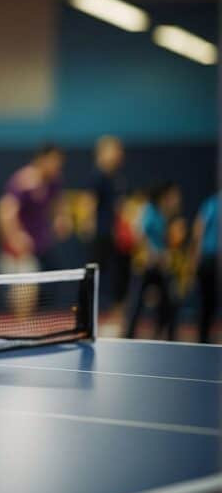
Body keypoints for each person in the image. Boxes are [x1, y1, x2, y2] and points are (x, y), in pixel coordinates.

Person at [0, 144, 65, 274]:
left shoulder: (54, 181)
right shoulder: (23, 181)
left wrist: (59, 219)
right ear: (41, 159)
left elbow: (57, 204)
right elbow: (5, 211)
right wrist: (15, 237)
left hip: (42, 247)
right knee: (25, 292)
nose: (57, 165)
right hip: (22, 252)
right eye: (54, 160)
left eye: (59, 161)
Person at [125, 182, 182, 340]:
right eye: (174, 196)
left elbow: (163, 241)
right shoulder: (148, 211)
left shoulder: (165, 215)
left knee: (171, 304)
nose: (177, 200)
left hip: (160, 267)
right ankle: (128, 338)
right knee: (135, 306)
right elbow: (139, 235)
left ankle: (167, 340)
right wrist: (153, 254)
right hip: (144, 266)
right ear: (165, 196)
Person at [87, 136, 127, 310]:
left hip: (117, 235)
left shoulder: (117, 178)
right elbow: (90, 203)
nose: (119, 154)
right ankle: (89, 314)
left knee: (118, 276)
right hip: (101, 234)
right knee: (94, 275)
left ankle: (117, 313)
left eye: (119, 150)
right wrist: (90, 224)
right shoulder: (97, 177)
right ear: (102, 153)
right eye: (114, 149)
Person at [190, 192, 218, 342]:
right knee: (207, 303)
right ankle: (203, 339)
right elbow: (199, 227)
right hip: (209, 260)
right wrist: (196, 255)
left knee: (212, 303)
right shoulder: (212, 204)